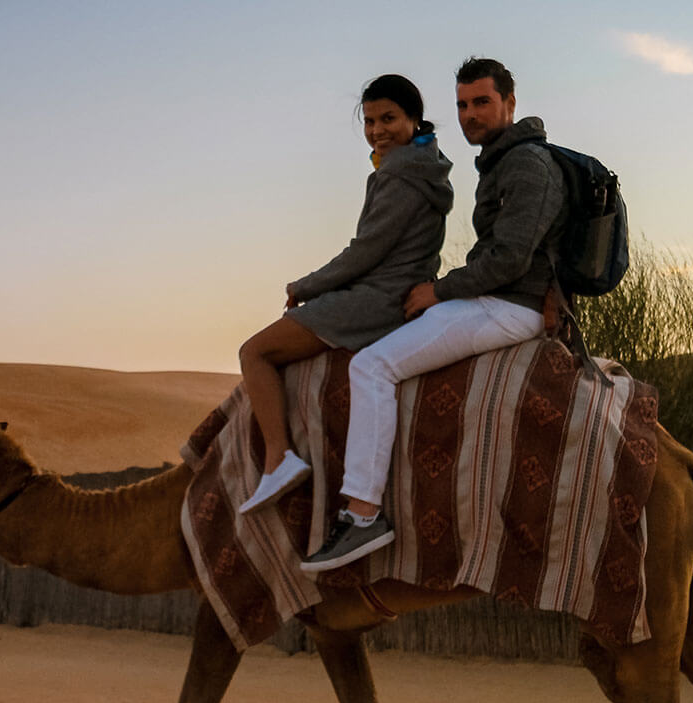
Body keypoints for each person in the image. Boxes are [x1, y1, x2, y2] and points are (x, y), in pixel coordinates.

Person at [302, 57, 562, 571]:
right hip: (500, 299)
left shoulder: (527, 164)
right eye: (463, 104)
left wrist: (439, 292)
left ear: (510, 103)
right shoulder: (501, 160)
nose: (470, 114)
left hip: (512, 307)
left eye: (482, 102)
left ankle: (362, 514)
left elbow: (509, 259)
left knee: (371, 366)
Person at [236, 74, 453, 514]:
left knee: (254, 352)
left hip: (377, 297)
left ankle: (278, 459)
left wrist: (306, 286)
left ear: (414, 118)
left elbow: (365, 251)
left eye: (389, 118)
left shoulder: (399, 174)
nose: (378, 131)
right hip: (396, 286)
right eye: (371, 122)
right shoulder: (426, 163)